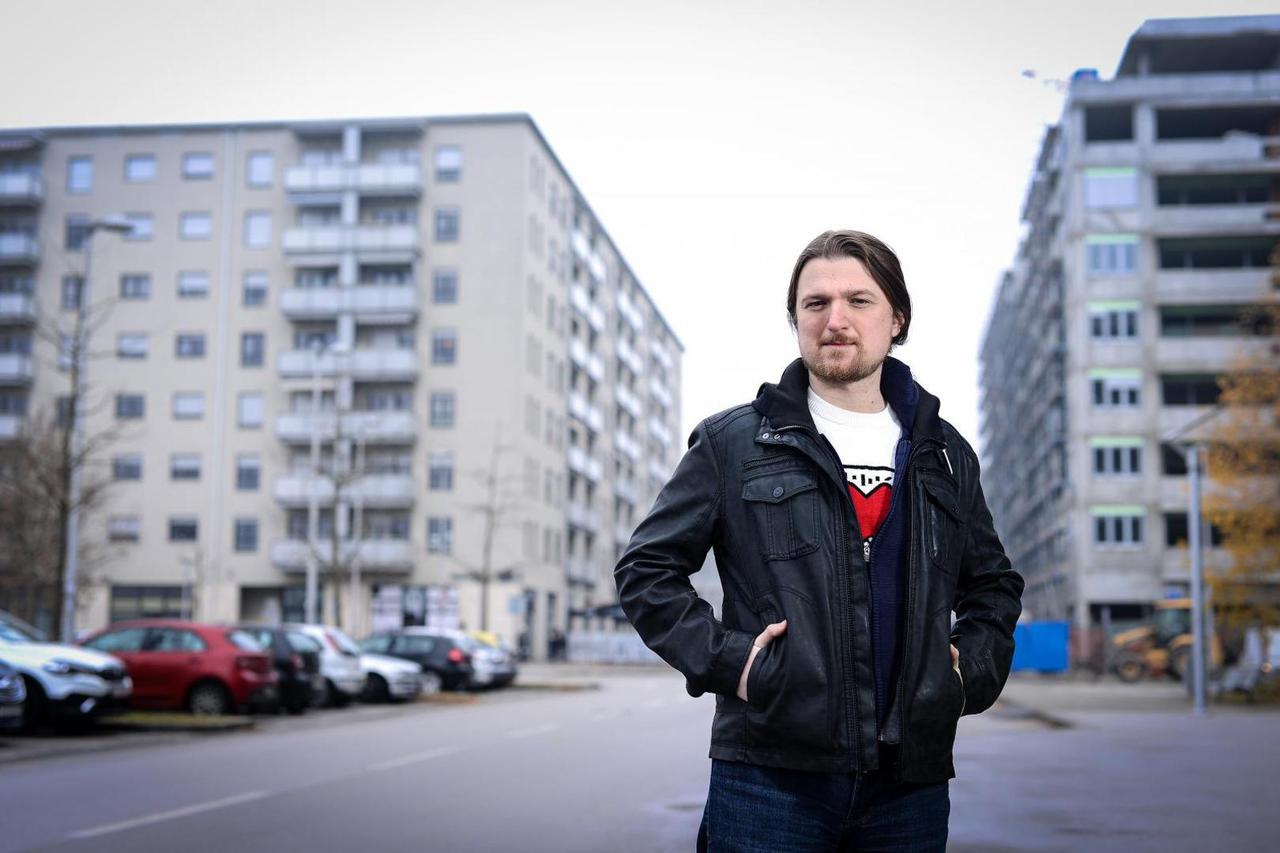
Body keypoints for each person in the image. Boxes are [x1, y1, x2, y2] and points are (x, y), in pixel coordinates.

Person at [614, 230, 1024, 852]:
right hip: (769, 777)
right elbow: (646, 570)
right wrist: (736, 664)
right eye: (816, 303)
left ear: (897, 319)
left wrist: (968, 674)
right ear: (796, 319)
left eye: (858, 301)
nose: (835, 320)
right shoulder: (734, 443)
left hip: (910, 784)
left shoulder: (946, 455)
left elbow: (993, 586)